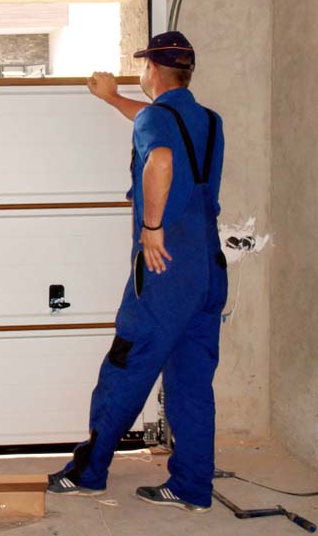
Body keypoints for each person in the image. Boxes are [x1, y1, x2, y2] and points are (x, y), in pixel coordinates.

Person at [46, 32, 228, 512]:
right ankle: (191, 487)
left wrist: (152, 227)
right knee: (191, 380)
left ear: (153, 70)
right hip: (208, 267)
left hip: (165, 269)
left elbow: (162, 159)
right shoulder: (207, 121)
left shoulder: (155, 119)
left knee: (126, 367)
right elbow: (165, 132)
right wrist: (113, 100)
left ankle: (89, 473)